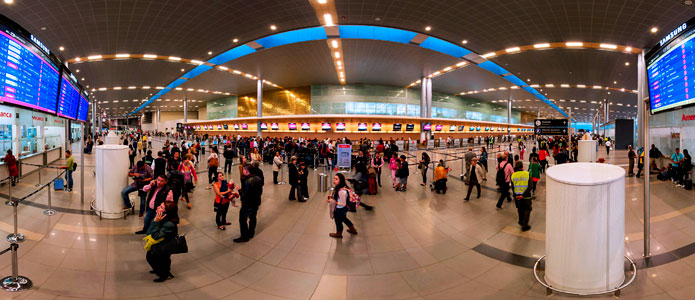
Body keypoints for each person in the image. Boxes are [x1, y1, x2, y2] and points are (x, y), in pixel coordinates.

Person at [145, 201, 179, 282]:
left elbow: (155, 235)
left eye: (161, 207)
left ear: (166, 212)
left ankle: (164, 275)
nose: (158, 207)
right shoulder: (162, 218)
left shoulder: (169, 224)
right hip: (160, 243)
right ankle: (160, 270)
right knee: (153, 257)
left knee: (162, 259)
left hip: (165, 245)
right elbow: (149, 233)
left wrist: (155, 222)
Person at [235, 161, 264, 243]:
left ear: (247, 171)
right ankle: (251, 233)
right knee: (253, 218)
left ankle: (244, 236)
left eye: (244, 169)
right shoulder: (258, 179)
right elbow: (260, 192)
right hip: (256, 202)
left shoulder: (247, 181)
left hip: (247, 204)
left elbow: (245, 195)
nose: (242, 171)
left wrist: (239, 190)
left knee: (243, 219)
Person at [327, 173, 358, 238]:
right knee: (344, 218)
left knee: (338, 221)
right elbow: (341, 198)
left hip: (340, 209)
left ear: (340, 180)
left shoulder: (341, 191)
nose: (334, 180)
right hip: (343, 209)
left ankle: (339, 233)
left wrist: (332, 201)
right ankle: (352, 229)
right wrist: (332, 197)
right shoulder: (342, 187)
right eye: (334, 178)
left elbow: (343, 203)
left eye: (336, 179)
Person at [510, 161, 533, 231]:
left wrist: (516, 195)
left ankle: (520, 221)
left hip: (517, 196)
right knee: (527, 209)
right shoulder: (527, 174)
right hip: (526, 196)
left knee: (520, 209)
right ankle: (524, 225)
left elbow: (513, 187)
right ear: (522, 166)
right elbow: (530, 186)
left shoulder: (513, 175)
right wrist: (523, 195)